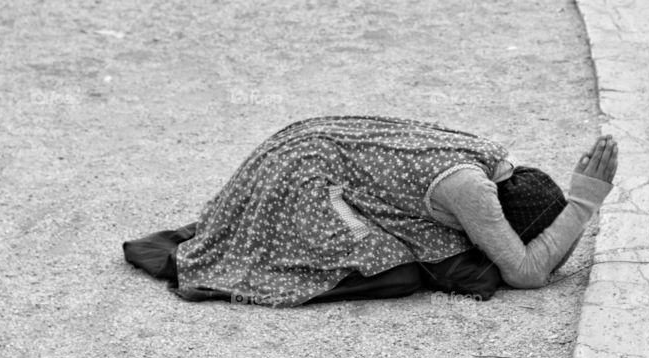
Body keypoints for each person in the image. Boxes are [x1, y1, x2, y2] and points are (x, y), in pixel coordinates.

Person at [123, 116, 617, 307]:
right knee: (396, 270)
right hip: (301, 173)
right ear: (500, 221)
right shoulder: (473, 194)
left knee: (421, 260)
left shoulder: (493, 163)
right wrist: (585, 201)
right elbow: (527, 272)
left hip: (307, 145)